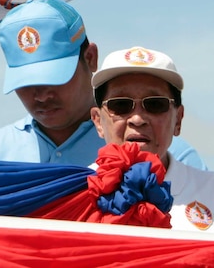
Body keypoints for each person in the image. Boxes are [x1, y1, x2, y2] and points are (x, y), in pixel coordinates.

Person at [0, 0, 206, 169]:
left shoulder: (170, 156)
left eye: (54, 78)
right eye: (26, 83)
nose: (40, 95)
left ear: (90, 58)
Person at [91, 46, 214, 233]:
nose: (137, 119)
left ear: (178, 120)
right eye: (121, 105)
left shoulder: (209, 190)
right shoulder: (72, 191)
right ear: (98, 121)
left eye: (155, 104)